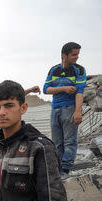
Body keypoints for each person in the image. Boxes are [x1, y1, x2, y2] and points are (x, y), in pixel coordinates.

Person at [43, 42, 87, 179]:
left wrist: (78, 111)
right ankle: (58, 169)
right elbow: (45, 89)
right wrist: (63, 89)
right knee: (56, 142)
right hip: (55, 109)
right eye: (74, 54)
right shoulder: (53, 70)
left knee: (70, 141)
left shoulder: (79, 70)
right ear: (64, 55)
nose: (77, 57)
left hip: (70, 108)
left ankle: (65, 170)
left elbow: (80, 92)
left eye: (78, 54)